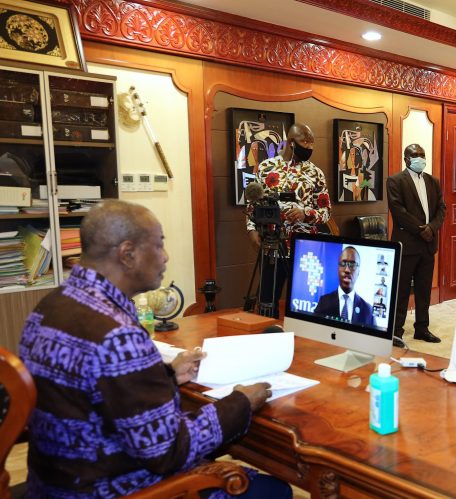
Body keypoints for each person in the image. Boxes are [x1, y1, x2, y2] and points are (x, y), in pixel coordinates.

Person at [18, 200, 288, 498]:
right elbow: (169, 450)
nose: (165, 256)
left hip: (53, 485)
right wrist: (241, 402)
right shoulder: (118, 334)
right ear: (127, 254)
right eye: (159, 245)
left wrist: (168, 375)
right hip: (109, 488)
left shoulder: (49, 306)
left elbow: (99, 391)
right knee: (275, 491)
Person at [246, 123, 331, 318]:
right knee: (267, 303)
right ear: (292, 143)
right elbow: (252, 205)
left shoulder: (315, 173)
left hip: (304, 248)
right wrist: (251, 230)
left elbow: (326, 212)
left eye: (312, 143)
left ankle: (303, 336)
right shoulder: (266, 168)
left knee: (305, 304)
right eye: (305, 142)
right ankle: (270, 334)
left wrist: (305, 213)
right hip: (271, 245)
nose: (310, 147)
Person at [387, 143, 446, 346]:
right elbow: (399, 212)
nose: (420, 158)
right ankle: (396, 331)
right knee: (402, 290)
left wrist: (432, 228)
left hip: (428, 244)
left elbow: (441, 209)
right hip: (407, 243)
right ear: (406, 159)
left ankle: (422, 328)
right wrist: (422, 230)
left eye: (422, 155)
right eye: (415, 155)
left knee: (423, 289)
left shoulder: (433, 181)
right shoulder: (395, 180)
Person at [314, 246, 374, 326]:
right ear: (338, 269)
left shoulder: (368, 311)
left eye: (352, 265)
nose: (347, 270)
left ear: (358, 272)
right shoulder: (324, 302)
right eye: (343, 264)